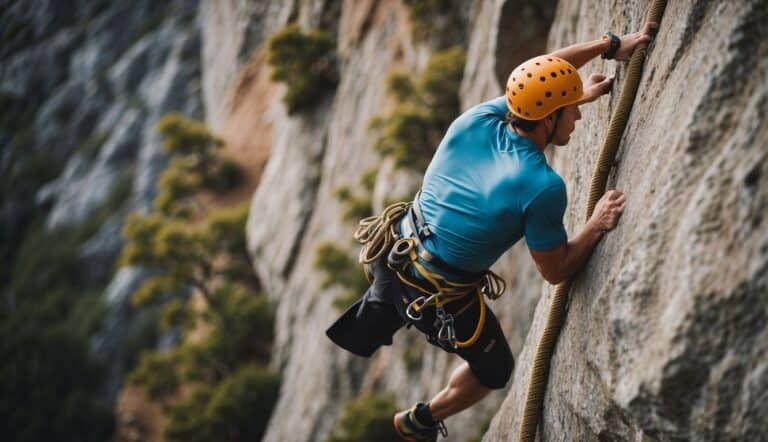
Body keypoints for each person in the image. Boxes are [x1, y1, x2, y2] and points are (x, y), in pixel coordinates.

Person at [326, 23, 657, 441]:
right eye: (570, 109)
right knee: (494, 370)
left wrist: (609, 48)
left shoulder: (476, 120)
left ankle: (377, 317)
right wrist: (595, 224)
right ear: (547, 117)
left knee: (384, 303)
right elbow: (556, 270)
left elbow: (541, 74)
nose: (577, 113)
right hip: (434, 292)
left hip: (393, 249)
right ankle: (418, 421)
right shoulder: (540, 186)